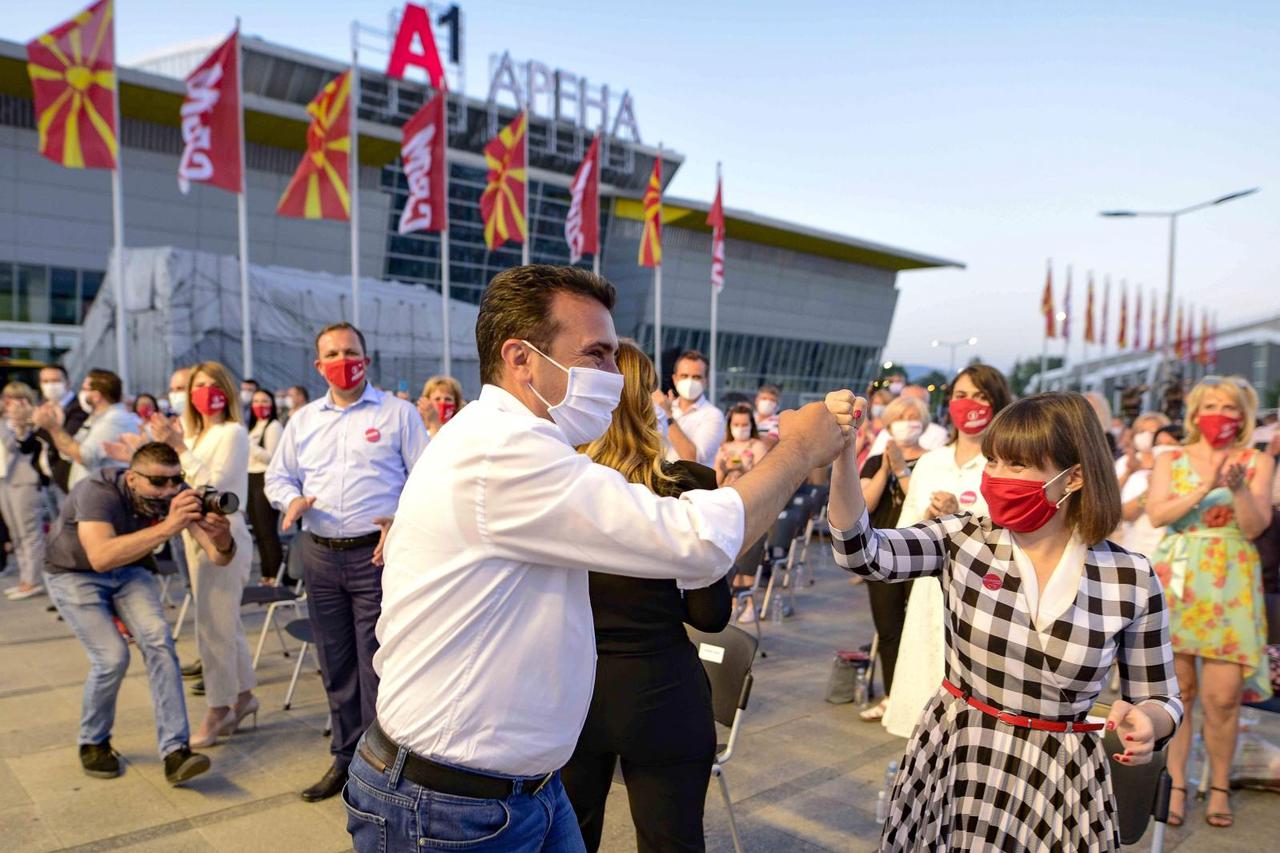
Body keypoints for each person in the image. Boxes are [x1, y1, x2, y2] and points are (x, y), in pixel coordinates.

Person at [352, 265, 844, 852]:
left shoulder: (517, 444)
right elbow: (700, 540)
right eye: (596, 355)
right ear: (522, 359)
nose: (615, 376)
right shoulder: (504, 452)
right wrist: (799, 448)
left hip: (523, 789)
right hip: (454, 806)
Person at [827, 390, 1182, 851]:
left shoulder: (1129, 576)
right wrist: (842, 455)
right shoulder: (963, 538)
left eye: (1016, 465)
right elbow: (861, 553)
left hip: (1059, 776)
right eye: (992, 461)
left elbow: (1160, 695)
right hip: (959, 755)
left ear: (1072, 477)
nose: (995, 477)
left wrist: (1149, 721)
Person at [561, 340, 731, 852]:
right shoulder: (689, 486)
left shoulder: (558, 483)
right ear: (646, 400)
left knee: (567, 839)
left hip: (570, 690)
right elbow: (711, 615)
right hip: (661, 691)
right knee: (671, 841)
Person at [265, 322, 428, 803]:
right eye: (332, 354)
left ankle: (383, 768)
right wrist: (291, 500)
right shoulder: (303, 421)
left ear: (366, 359)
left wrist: (399, 519)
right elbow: (279, 477)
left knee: (377, 665)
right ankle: (344, 757)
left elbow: (425, 481)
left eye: (350, 352)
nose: (342, 360)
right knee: (334, 664)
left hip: (375, 556)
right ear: (318, 366)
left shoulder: (398, 414)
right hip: (319, 554)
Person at [44, 442, 235, 785]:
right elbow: (100, 557)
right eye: (158, 483)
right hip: (74, 573)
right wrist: (169, 526)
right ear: (132, 478)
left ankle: (176, 752)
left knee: (160, 642)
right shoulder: (97, 491)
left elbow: (220, 558)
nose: (170, 490)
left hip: (131, 569)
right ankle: (93, 740)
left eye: (177, 480)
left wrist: (224, 539)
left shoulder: (177, 493)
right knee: (112, 657)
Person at [1147, 375, 1275, 829]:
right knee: (1179, 690)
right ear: (1196, 413)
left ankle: (1219, 783)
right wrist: (1203, 489)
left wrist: (1239, 488)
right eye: (1212, 405)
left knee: (1223, 697)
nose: (1221, 413)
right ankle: (1177, 782)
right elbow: (1157, 513)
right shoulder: (1171, 458)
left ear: (1243, 415)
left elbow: (1257, 525)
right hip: (1179, 575)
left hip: (1231, 578)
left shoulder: (1256, 461)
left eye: (1231, 406)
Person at [881, 363, 1012, 738]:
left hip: (985, 598)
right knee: (924, 702)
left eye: (980, 396)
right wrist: (929, 518)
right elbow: (905, 535)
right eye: (960, 395)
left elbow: (1012, 538)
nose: (969, 404)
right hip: (930, 597)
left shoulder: (1006, 464)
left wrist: (960, 521)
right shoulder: (931, 462)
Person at [146, 361, 260, 747]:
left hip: (223, 533)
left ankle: (218, 708)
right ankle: (243, 697)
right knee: (224, 623)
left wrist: (178, 448)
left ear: (226, 391)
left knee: (213, 628)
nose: (204, 392)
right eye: (198, 385)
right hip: (192, 536)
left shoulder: (232, 432)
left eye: (213, 384)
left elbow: (219, 489)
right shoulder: (193, 436)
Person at [856, 395, 932, 722]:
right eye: (901, 417)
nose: (907, 422)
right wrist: (886, 469)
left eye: (914, 417)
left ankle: (923, 696)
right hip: (883, 551)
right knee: (888, 627)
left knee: (921, 625)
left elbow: (922, 501)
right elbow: (864, 506)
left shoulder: (933, 461)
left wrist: (902, 470)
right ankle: (891, 693)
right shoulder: (874, 462)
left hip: (922, 552)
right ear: (888, 423)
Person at [33, 369, 140, 491]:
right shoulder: (95, 418)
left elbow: (84, 456)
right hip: (86, 493)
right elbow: (69, 452)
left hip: (102, 494)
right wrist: (57, 426)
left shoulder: (114, 420)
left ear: (96, 396)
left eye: (84, 389)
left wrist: (53, 427)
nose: (81, 393)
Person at [1, 382, 48, 601]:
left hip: (25, 482)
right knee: (16, 534)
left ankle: (33, 579)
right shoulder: (3, 422)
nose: (10, 404)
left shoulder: (30, 421)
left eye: (16, 399)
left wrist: (18, 421)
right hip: (5, 481)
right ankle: (25, 578)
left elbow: (16, 446)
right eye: (7, 399)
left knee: (30, 533)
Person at [1117, 425, 1182, 559]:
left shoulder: (1192, 479)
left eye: (1171, 444)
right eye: (1158, 444)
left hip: (1176, 551)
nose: (1163, 449)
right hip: (1140, 549)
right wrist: (1150, 491)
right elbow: (1125, 514)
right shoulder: (1140, 477)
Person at [662, 350, 725, 467]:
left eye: (696, 377)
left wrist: (668, 416)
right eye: (684, 376)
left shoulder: (713, 415)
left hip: (692, 484)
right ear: (675, 379)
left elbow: (693, 459)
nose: (690, 382)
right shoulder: (662, 408)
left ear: (706, 381)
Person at [246, 389, 284, 583]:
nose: (260, 405)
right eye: (256, 401)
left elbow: (272, 457)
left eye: (265, 401)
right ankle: (265, 574)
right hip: (250, 478)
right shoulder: (252, 427)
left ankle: (276, 575)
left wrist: (249, 446)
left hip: (264, 478)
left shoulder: (273, 426)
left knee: (268, 531)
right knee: (258, 531)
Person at [35, 363, 88, 499]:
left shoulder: (78, 408)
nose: (50, 386)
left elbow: (68, 443)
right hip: (48, 478)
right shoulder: (43, 407)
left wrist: (51, 425)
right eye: (45, 381)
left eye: (55, 381)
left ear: (68, 383)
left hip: (69, 479)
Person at [866, 385, 949, 456]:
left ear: (926, 406)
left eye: (916, 401)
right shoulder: (890, 429)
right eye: (905, 401)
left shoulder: (939, 434)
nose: (910, 406)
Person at [713, 403, 771, 486]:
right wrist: (723, 469)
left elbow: (762, 478)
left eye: (745, 425)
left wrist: (742, 468)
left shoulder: (757, 446)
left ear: (751, 425)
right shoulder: (724, 448)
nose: (740, 428)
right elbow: (715, 482)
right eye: (736, 425)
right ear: (730, 425)